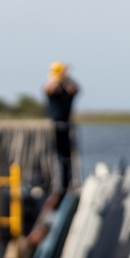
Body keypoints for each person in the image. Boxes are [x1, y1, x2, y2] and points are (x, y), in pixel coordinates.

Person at [43, 61, 79, 194]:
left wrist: (66, 78)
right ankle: (55, 183)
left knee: (67, 156)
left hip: (66, 126)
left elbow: (76, 89)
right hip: (54, 127)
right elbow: (48, 90)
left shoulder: (68, 87)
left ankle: (67, 183)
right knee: (54, 155)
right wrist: (57, 79)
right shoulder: (52, 87)